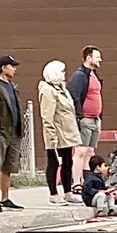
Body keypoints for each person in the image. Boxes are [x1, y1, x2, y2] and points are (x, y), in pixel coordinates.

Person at [38, 60, 82, 206]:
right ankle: (53, 194)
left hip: (67, 133)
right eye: (62, 71)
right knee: (54, 162)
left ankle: (68, 192)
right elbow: (47, 115)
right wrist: (52, 135)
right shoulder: (47, 90)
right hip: (57, 133)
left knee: (68, 162)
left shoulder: (62, 88)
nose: (64, 74)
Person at [0, 55, 24, 211]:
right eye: (12, 66)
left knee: (8, 167)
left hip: (14, 132)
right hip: (0, 133)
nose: (14, 69)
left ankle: (5, 198)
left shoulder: (12, 87)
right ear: (2, 68)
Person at [67, 46, 104, 188]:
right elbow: (73, 95)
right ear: (88, 58)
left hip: (95, 119)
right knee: (81, 151)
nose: (100, 60)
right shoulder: (80, 75)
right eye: (97, 57)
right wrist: (80, 116)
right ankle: (76, 182)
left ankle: (87, 181)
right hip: (85, 119)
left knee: (90, 152)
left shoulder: (94, 75)